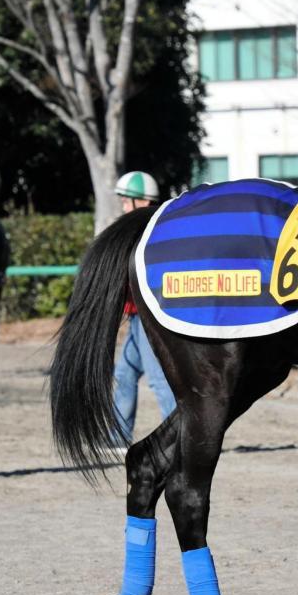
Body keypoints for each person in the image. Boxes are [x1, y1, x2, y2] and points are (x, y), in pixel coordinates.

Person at [112, 171, 176, 447]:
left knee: (160, 379)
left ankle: (177, 438)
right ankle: (117, 437)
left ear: (143, 202)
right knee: (124, 373)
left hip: (149, 316)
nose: (124, 206)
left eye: (128, 201)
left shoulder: (150, 229)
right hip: (137, 315)